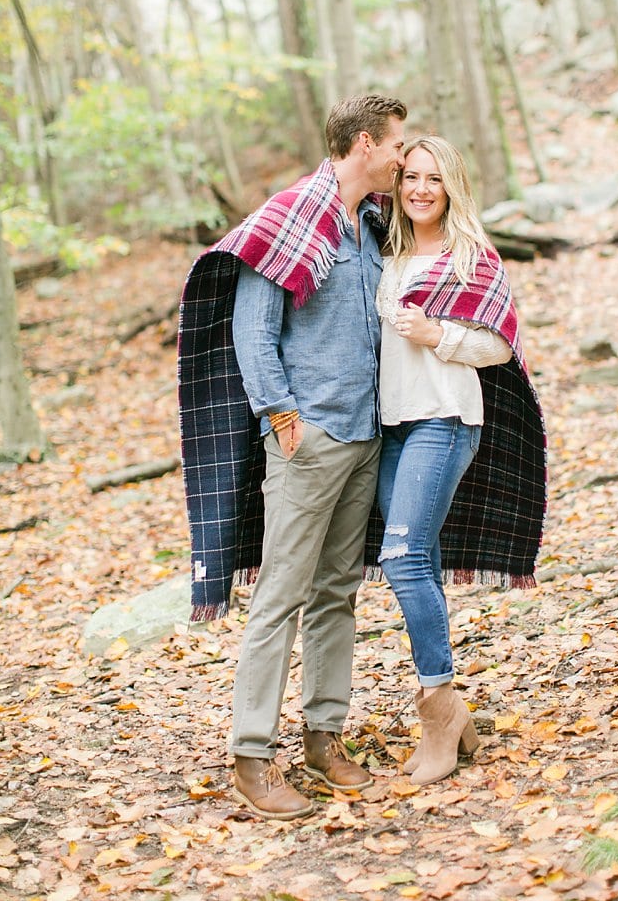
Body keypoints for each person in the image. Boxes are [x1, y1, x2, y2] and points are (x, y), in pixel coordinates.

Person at [178, 94, 407, 820]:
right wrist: (284, 419)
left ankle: (323, 736)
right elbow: (255, 330)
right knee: (280, 596)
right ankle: (251, 754)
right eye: (396, 144)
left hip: (364, 433)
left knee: (338, 591)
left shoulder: (370, 226)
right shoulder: (287, 218)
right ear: (365, 143)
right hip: (309, 441)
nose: (403, 158)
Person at [372, 135, 540, 785]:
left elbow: (500, 346)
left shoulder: (474, 256)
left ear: (451, 187)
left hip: (445, 419)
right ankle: (454, 718)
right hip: (391, 425)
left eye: (432, 179)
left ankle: (438, 706)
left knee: (402, 556)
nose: (419, 189)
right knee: (422, 561)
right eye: (410, 177)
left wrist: (437, 333)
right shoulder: (386, 255)